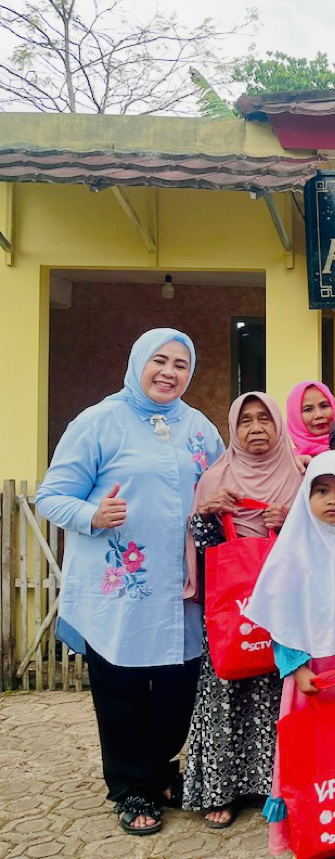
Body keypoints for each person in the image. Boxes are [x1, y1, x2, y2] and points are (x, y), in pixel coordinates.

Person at [35, 328, 225, 836]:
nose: (169, 372)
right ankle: (130, 787)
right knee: (122, 690)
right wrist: (93, 515)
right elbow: (51, 496)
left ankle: (159, 771)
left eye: (181, 364)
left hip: (184, 589)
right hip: (120, 590)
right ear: (138, 362)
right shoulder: (99, 422)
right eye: (159, 360)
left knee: (178, 690)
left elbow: (224, 482)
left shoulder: (200, 427)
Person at [244, 450, 335, 857]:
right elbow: (280, 613)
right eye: (322, 490)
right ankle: (306, 830)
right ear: (306, 495)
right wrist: (296, 668)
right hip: (309, 676)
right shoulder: (294, 549)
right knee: (308, 751)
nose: (332, 500)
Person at [183, 392, 302, 829]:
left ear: (278, 425)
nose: (256, 428)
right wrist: (206, 514)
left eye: (264, 419)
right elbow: (204, 551)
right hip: (233, 605)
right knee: (227, 686)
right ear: (233, 429)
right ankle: (222, 789)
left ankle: (277, 785)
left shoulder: (300, 475)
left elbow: (322, 538)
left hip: (286, 602)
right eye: (246, 421)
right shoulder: (216, 479)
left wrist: (291, 522)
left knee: (280, 688)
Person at [285, 381, 335, 457]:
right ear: (295, 417)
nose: (319, 415)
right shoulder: (288, 461)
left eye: (324, 406)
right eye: (308, 409)